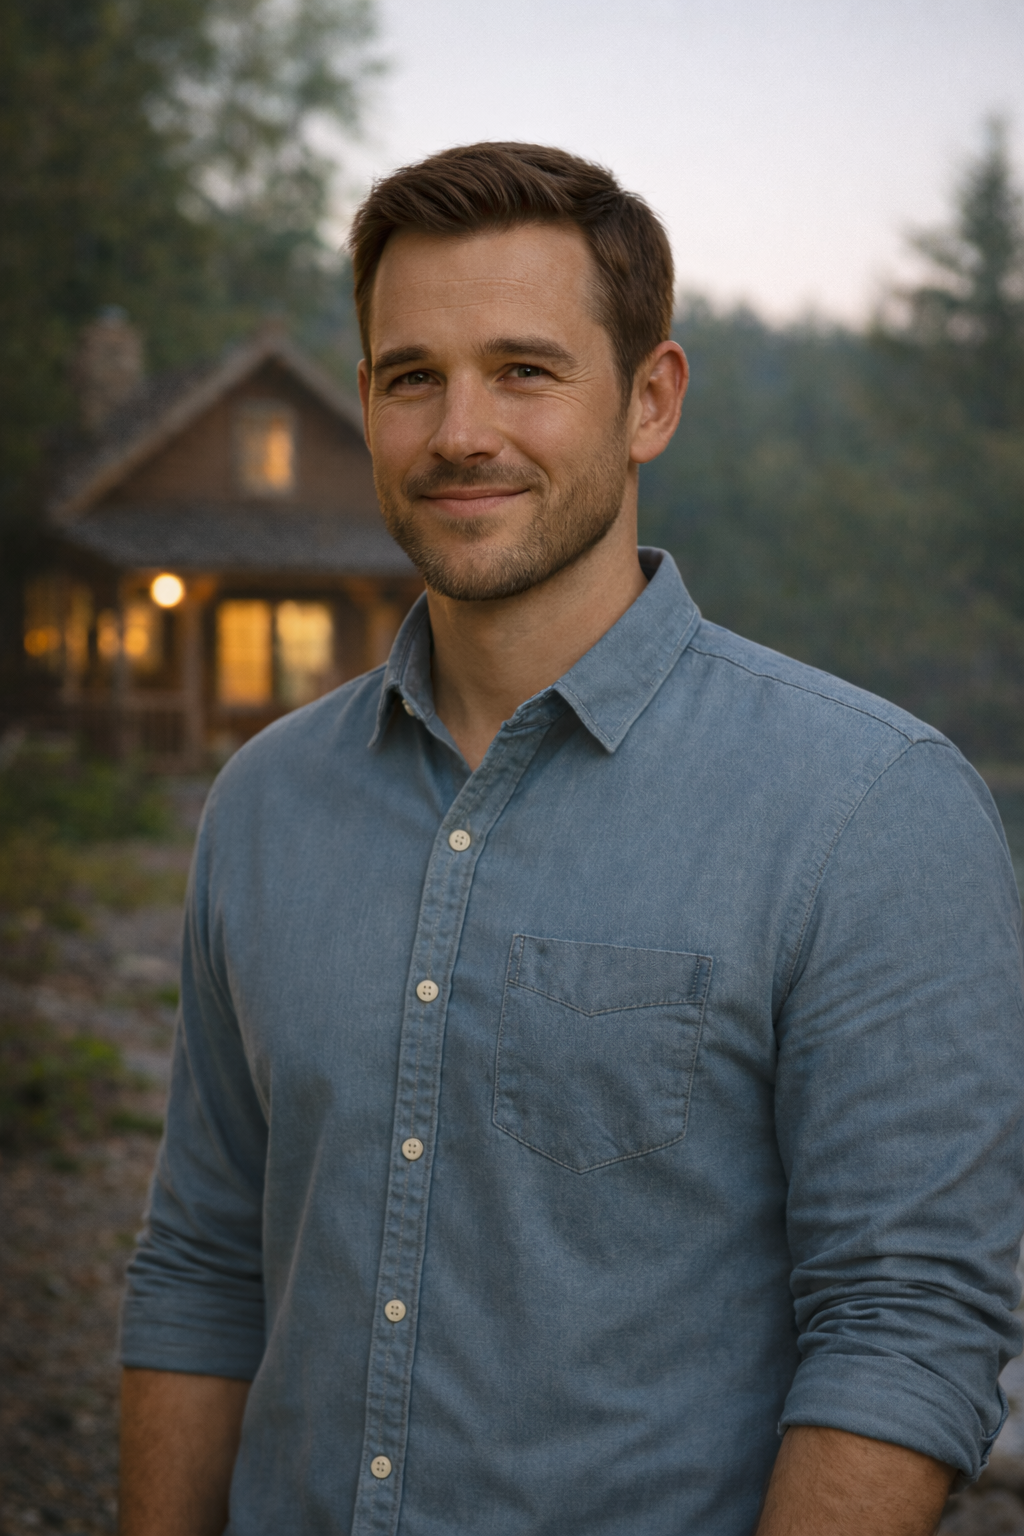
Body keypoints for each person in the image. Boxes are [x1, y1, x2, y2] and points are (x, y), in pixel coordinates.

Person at [119, 143, 1024, 1536]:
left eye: (526, 371)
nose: (460, 430)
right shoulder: (264, 804)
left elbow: (906, 1327)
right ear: (363, 404)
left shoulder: (869, 806)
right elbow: (201, 1263)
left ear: (649, 401)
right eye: (413, 376)